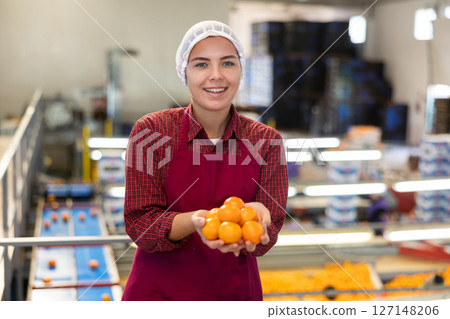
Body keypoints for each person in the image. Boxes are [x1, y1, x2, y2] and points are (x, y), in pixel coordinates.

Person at [122, 20, 288, 301]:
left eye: (227, 63)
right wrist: (197, 221)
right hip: (158, 295)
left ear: (240, 70)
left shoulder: (267, 141)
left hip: (234, 295)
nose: (216, 76)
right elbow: (140, 224)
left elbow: (267, 236)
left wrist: (260, 223)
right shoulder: (151, 131)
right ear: (183, 72)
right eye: (201, 64)